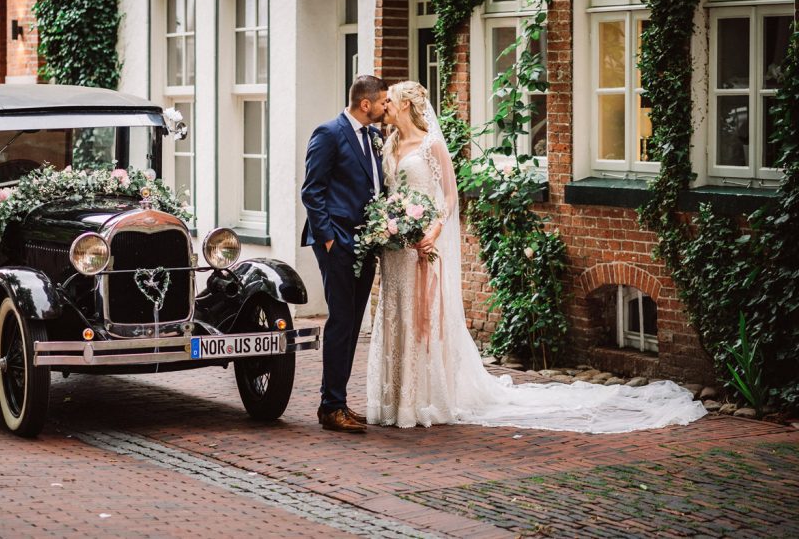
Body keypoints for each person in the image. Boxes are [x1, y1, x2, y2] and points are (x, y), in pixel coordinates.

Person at [366, 81, 708, 432]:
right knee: (396, 313)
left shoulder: (432, 145)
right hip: (397, 248)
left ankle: (423, 400)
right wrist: (386, 225)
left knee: (423, 316)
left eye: (389, 100)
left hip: (423, 244)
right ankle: (395, 400)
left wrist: (433, 230)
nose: (384, 105)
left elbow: (450, 196)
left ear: (405, 105)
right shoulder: (387, 143)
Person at [301, 74, 388, 433]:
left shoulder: (373, 136)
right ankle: (331, 406)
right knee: (340, 321)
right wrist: (328, 240)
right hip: (337, 241)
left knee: (352, 323)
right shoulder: (329, 133)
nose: (385, 107)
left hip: (365, 242)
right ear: (365, 103)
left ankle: (337, 402)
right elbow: (312, 191)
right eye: (382, 101)